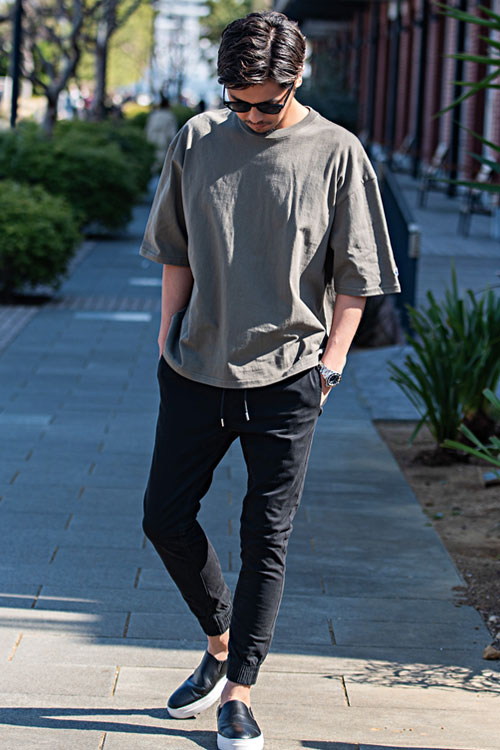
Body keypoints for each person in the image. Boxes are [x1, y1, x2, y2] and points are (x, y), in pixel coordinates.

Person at [140, 11, 400, 750]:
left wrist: (332, 363)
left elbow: (358, 274)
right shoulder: (198, 139)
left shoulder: (337, 151)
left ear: (297, 77)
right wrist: (167, 332)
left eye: (267, 103)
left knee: (267, 535)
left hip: (290, 377)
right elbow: (175, 248)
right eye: (238, 102)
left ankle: (240, 692)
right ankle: (220, 643)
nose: (252, 116)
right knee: (164, 517)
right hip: (195, 367)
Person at [145, 93, 178, 172]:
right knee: (161, 161)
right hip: (163, 139)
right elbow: (172, 133)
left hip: (151, 138)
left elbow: (147, 128)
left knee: (153, 159)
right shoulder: (170, 116)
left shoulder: (154, 115)